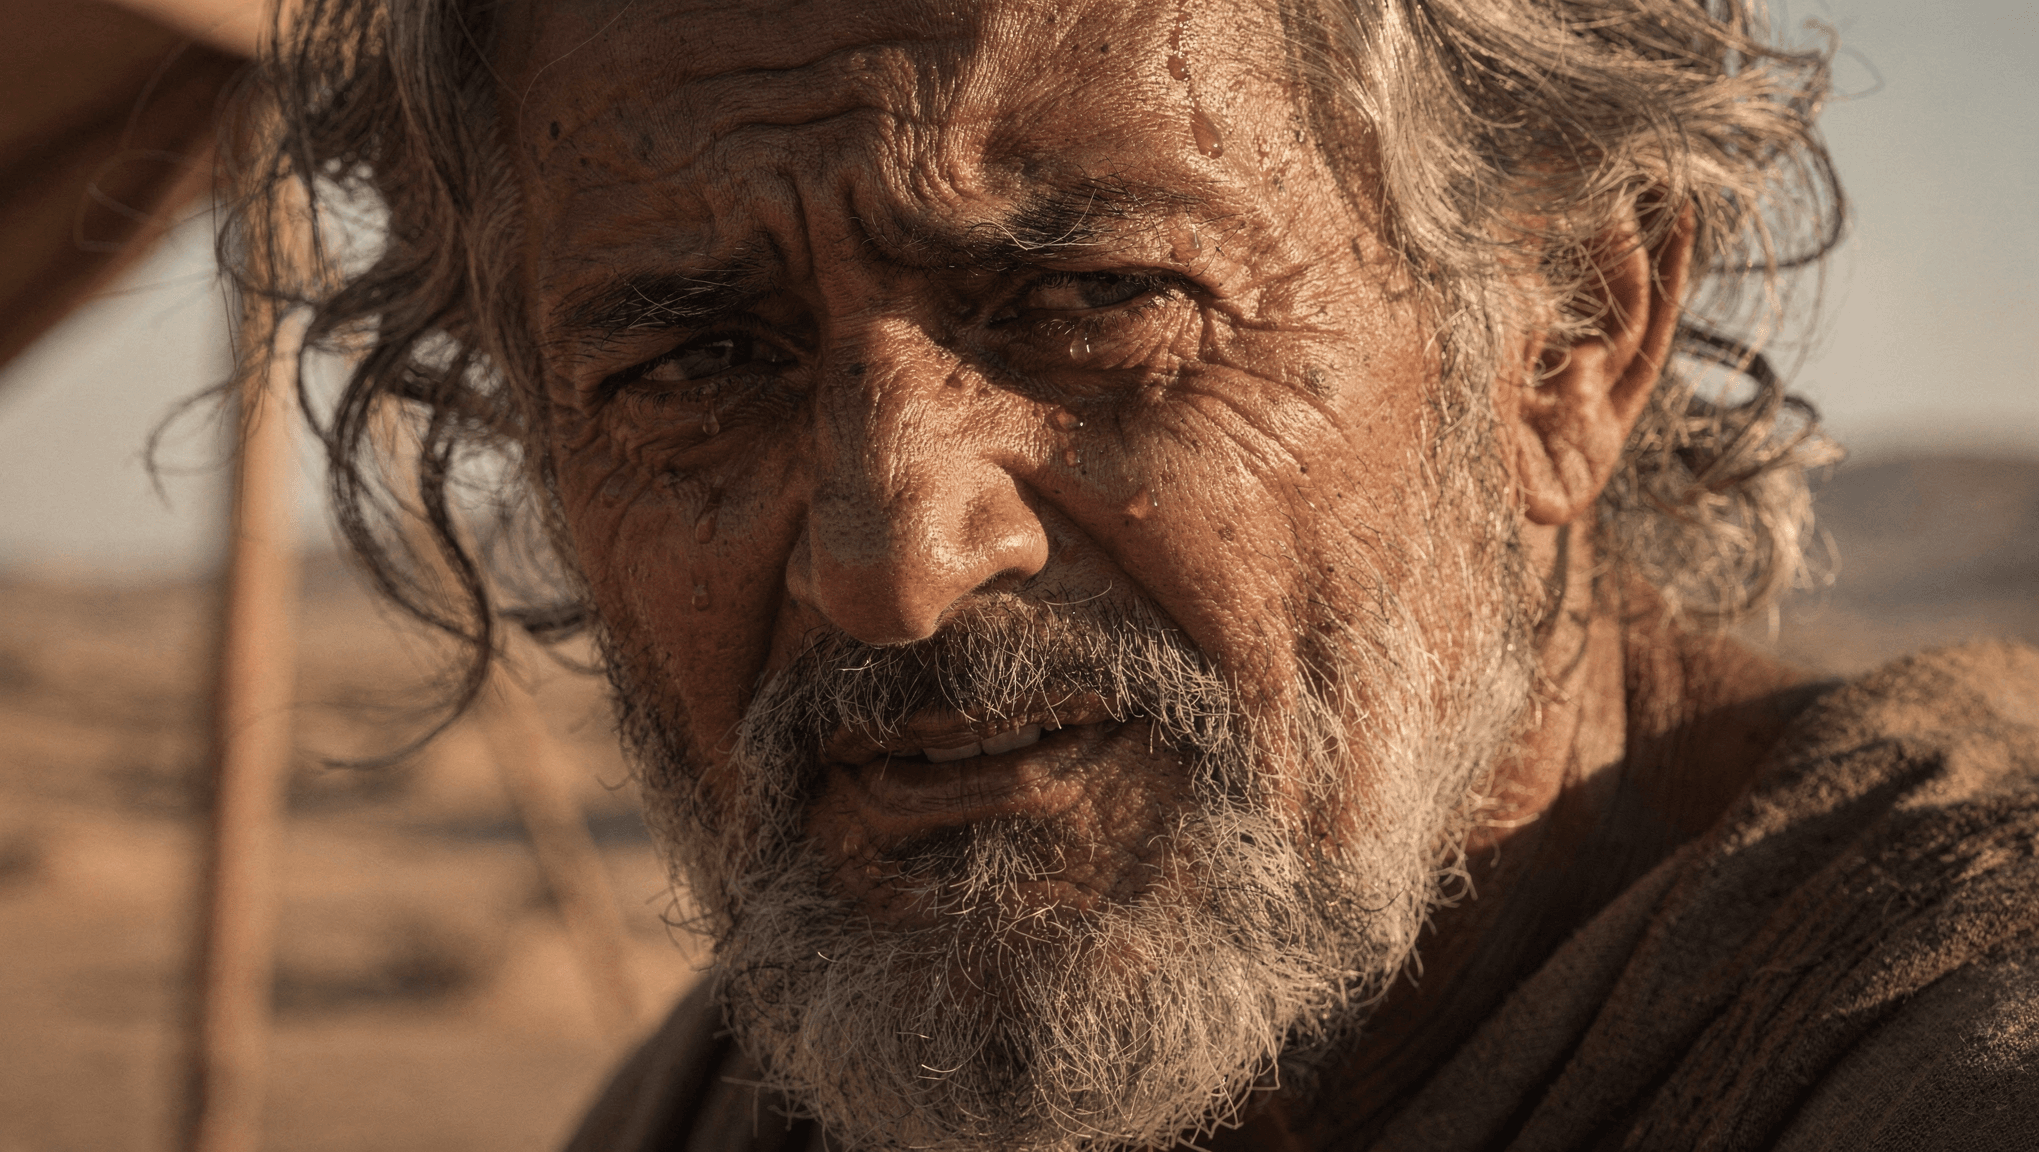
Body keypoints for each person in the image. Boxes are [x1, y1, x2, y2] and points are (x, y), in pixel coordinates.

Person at [229, 0, 2039, 1148]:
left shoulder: (1951, 1061)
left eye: (1095, 304)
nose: (891, 567)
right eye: (696, 365)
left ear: (1569, 334)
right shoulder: (744, 1100)